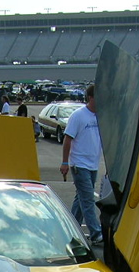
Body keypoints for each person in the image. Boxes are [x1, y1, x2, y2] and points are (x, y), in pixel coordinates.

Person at [58, 84, 103, 245]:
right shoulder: (78, 116)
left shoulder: (99, 116)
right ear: (91, 98)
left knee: (81, 199)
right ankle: (96, 232)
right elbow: (68, 139)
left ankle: (71, 228)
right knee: (88, 198)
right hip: (79, 164)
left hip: (92, 164)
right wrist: (65, 162)